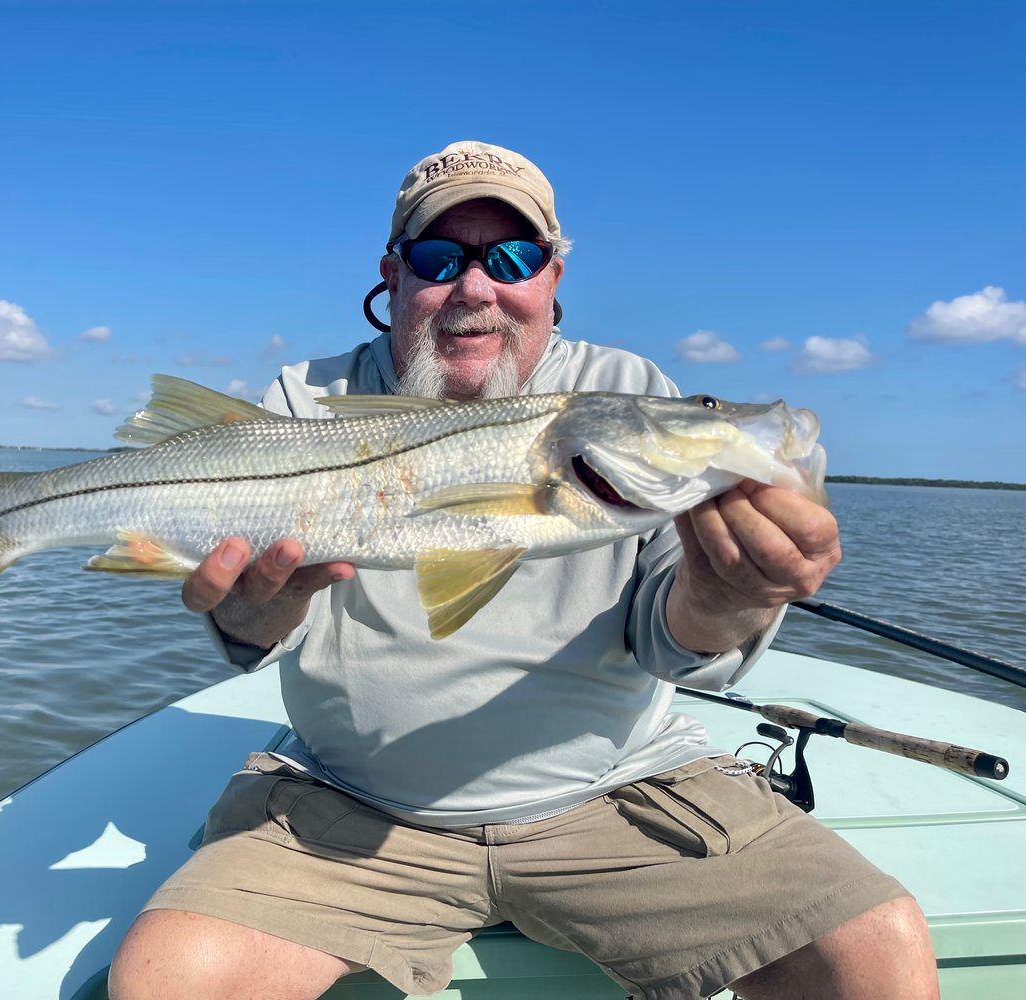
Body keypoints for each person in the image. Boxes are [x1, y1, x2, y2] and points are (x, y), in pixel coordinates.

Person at [109, 141, 937, 1000]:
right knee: (167, 981)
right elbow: (263, 625)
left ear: (551, 278)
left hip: (619, 793)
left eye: (512, 257)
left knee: (874, 948)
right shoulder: (306, 401)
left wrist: (728, 599)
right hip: (352, 803)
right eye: (437, 259)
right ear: (390, 277)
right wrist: (247, 615)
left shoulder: (623, 388)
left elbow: (675, 643)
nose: (474, 288)